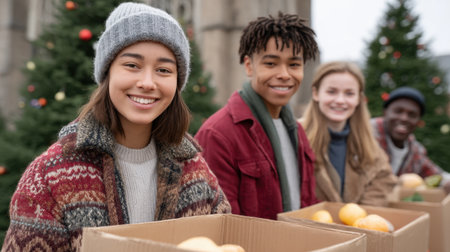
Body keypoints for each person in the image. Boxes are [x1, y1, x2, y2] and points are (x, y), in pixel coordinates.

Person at [2, 3, 230, 251]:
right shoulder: (51, 175)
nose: (147, 82)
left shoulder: (195, 171)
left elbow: (225, 242)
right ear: (107, 72)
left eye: (163, 70)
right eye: (132, 65)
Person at [195, 12, 319, 220]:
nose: (284, 74)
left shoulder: (297, 132)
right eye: (271, 63)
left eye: (294, 65)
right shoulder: (218, 133)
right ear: (249, 65)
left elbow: (307, 203)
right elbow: (220, 223)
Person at [299, 61, 397, 206]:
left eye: (349, 93)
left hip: (356, 226)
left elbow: (383, 179)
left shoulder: (367, 142)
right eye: (331, 92)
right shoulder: (296, 136)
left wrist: (360, 215)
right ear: (316, 93)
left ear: (359, 99)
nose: (340, 100)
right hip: (308, 225)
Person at [371, 86, 450, 193]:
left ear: (418, 121)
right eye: (398, 111)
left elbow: (434, 173)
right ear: (385, 112)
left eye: (412, 115)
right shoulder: (367, 133)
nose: (404, 118)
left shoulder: (414, 149)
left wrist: (446, 181)